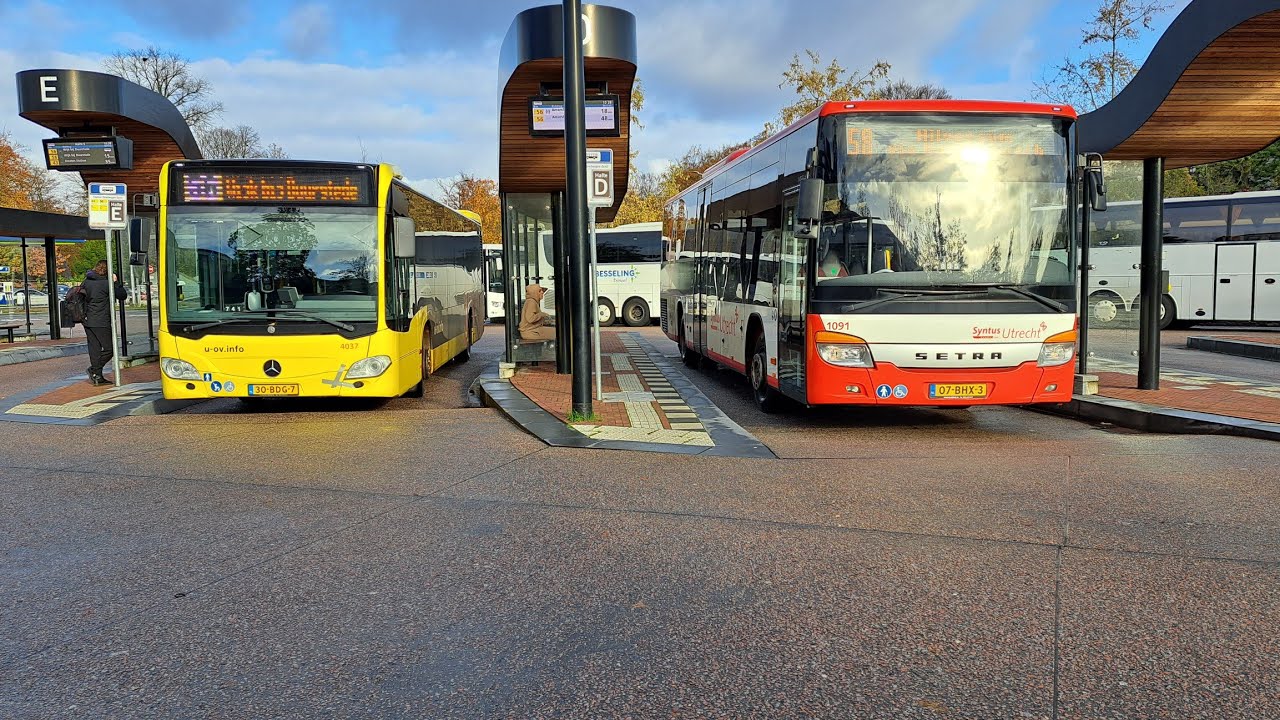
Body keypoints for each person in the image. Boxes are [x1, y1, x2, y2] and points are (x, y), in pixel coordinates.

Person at [81, 260, 128, 385]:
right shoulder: (107, 283)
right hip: (101, 320)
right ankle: (94, 370)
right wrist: (116, 282)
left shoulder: (87, 281)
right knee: (110, 349)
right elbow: (122, 295)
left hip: (87, 320)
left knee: (94, 349)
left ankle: (97, 376)